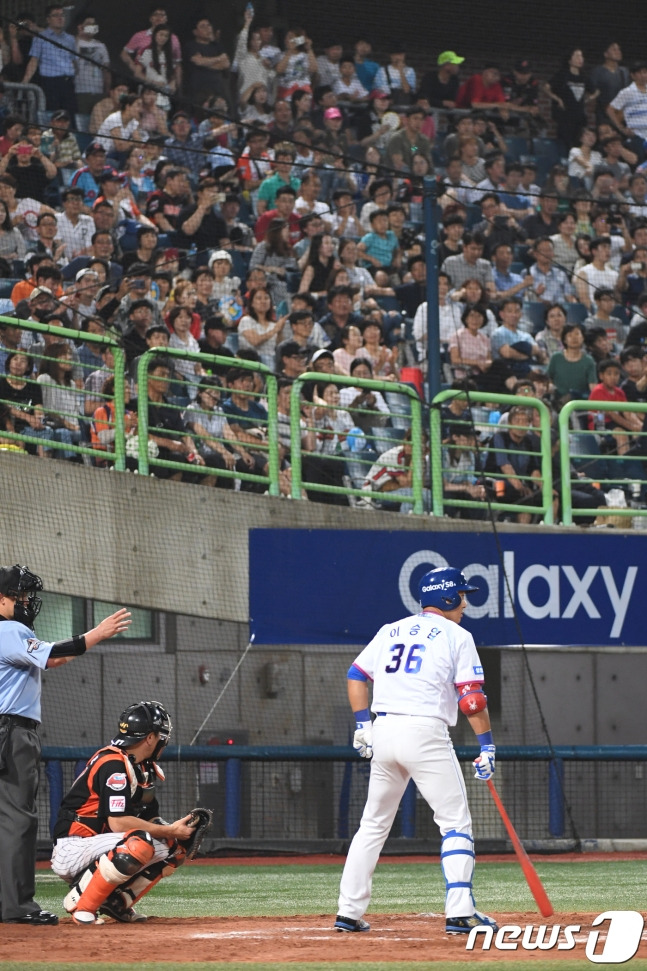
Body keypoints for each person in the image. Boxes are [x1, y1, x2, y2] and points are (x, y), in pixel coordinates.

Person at [334, 566, 498, 934]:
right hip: (425, 732)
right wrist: (487, 746)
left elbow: (356, 674)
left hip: (385, 730)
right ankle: (460, 911)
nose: (465, 604)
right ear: (449, 597)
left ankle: (348, 911)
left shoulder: (390, 629)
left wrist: (363, 725)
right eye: (463, 596)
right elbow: (471, 700)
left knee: (372, 825)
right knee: (455, 822)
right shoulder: (458, 634)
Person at [0, 564, 131, 925]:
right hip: (10, 731)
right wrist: (98, 634)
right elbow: (55, 653)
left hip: (6, 728)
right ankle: (15, 907)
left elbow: (54, 658)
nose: (27, 602)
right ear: (1, 600)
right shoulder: (8, 629)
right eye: (20, 596)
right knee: (17, 820)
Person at [50, 700, 200, 924]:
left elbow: (150, 819)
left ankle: (116, 902)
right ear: (150, 738)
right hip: (73, 847)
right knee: (139, 843)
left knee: (174, 848)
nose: (164, 742)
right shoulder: (113, 763)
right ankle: (83, 906)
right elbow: (118, 823)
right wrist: (169, 830)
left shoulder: (142, 767)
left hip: (100, 845)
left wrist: (179, 832)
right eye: (161, 737)